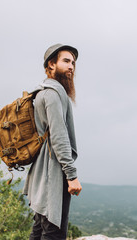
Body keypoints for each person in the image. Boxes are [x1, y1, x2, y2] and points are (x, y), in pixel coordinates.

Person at [23, 43, 82, 240]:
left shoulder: (43, 92)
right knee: (54, 232)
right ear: (51, 64)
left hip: (42, 174)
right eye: (66, 61)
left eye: (73, 62)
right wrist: (71, 175)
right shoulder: (53, 94)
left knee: (40, 230)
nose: (71, 66)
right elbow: (58, 136)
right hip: (52, 174)